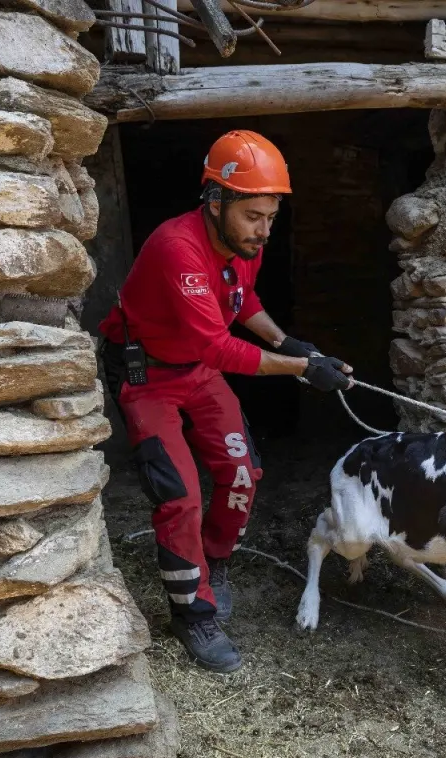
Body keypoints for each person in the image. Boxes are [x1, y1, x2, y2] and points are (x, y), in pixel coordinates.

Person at [98, 130, 352, 673]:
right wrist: (304, 369)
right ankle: (192, 614)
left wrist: (286, 342)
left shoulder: (243, 246)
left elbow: (243, 299)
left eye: (271, 216)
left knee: (241, 471)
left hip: (197, 369)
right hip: (149, 375)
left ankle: (213, 563)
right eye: (253, 215)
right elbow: (216, 344)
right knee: (180, 495)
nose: (264, 231)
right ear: (216, 202)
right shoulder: (178, 249)